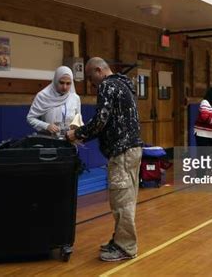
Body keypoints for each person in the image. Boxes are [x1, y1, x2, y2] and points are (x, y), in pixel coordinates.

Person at [66, 57, 143, 262]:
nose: (93, 85)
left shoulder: (107, 86)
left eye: (92, 80)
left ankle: (126, 247)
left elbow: (100, 120)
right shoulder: (123, 84)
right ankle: (120, 239)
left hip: (122, 152)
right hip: (131, 150)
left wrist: (78, 134)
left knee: (122, 201)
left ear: (99, 71)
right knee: (125, 198)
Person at [27, 66, 81, 138]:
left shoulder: (75, 98)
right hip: (48, 139)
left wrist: (77, 131)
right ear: (55, 80)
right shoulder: (43, 96)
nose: (65, 87)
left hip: (69, 140)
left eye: (68, 83)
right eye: (61, 83)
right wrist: (46, 126)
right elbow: (30, 118)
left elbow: (78, 119)